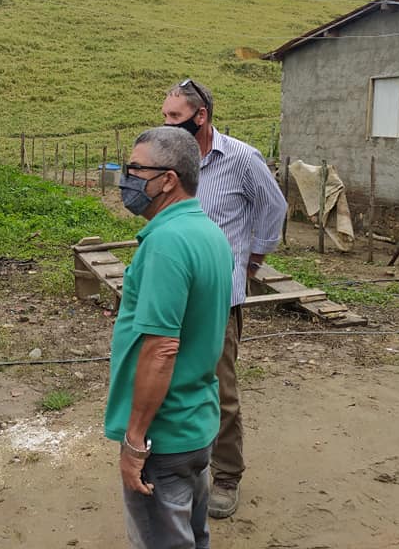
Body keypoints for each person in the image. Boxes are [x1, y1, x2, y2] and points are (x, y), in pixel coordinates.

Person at [162, 79, 287, 518]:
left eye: (175, 117)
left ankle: (227, 474)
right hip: (172, 292)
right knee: (169, 381)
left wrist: (251, 261)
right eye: (164, 117)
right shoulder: (168, 157)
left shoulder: (241, 158)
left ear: (202, 116)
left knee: (219, 389)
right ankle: (180, 465)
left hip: (218, 297)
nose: (167, 125)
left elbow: (275, 208)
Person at [105, 126, 234, 549]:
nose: (127, 178)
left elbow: (161, 348)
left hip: (165, 434)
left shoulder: (166, 243)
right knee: (193, 535)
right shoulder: (209, 233)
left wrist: (135, 441)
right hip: (197, 419)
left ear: (168, 180)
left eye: (136, 169)